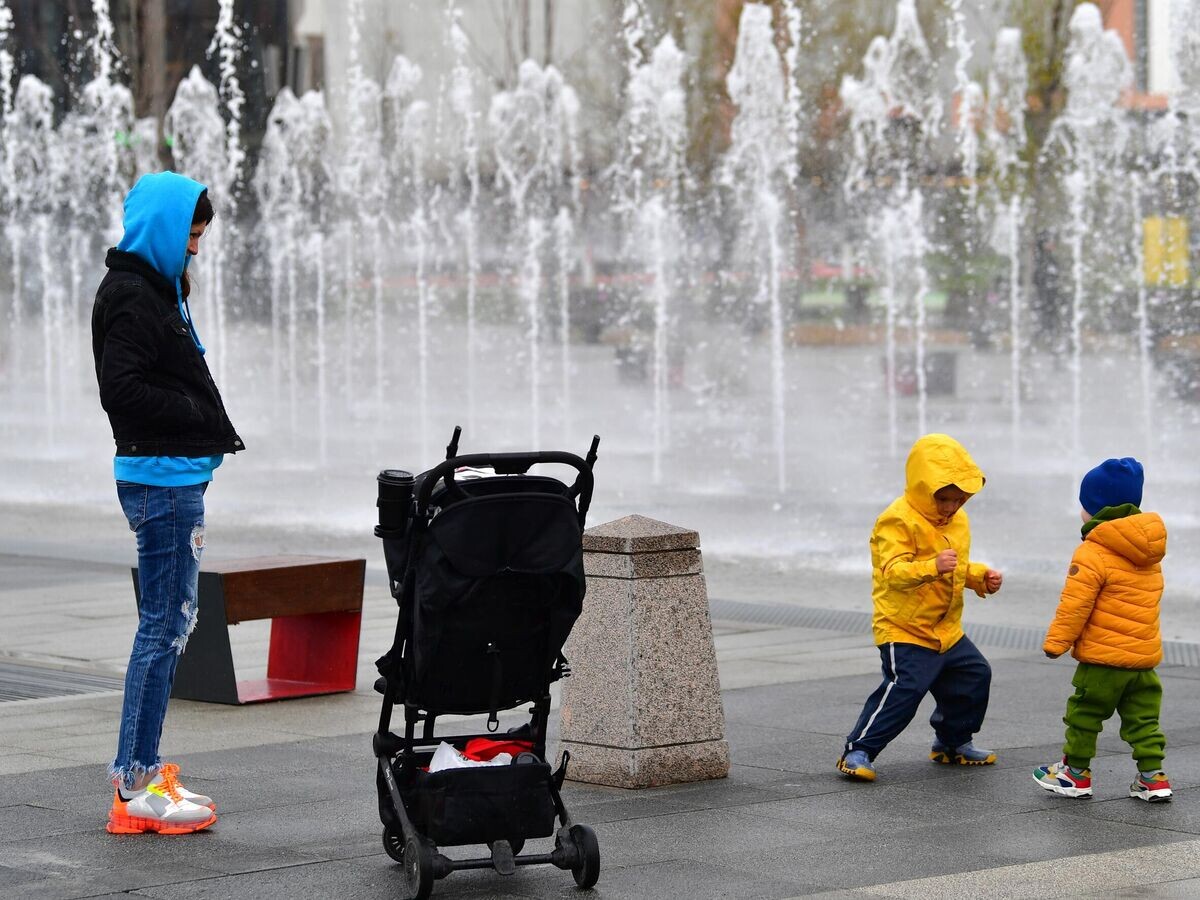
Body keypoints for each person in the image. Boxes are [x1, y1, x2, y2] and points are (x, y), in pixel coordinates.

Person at [92, 171, 245, 833]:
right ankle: (135, 784)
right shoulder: (131, 296)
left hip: (172, 479)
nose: (196, 251)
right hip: (161, 482)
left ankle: (143, 774)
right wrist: (191, 414)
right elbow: (120, 390)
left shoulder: (154, 288)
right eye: (190, 237)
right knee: (162, 626)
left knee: (169, 624)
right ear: (162, 230)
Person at [836, 433, 1004, 781]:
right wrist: (932, 566)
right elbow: (892, 573)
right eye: (943, 499)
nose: (950, 507)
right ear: (922, 488)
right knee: (904, 689)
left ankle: (951, 743)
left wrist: (979, 577)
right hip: (904, 628)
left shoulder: (958, 520)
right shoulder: (896, 520)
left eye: (959, 499)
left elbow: (954, 566)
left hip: (946, 629)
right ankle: (858, 749)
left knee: (975, 675)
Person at [1034, 458, 1171, 802]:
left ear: (1093, 507)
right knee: (1143, 720)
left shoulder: (1093, 551)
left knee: (1084, 715)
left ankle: (1075, 774)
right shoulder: (1149, 554)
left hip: (1103, 660)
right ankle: (1153, 778)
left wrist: (1056, 642)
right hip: (1143, 661)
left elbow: (1075, 605)